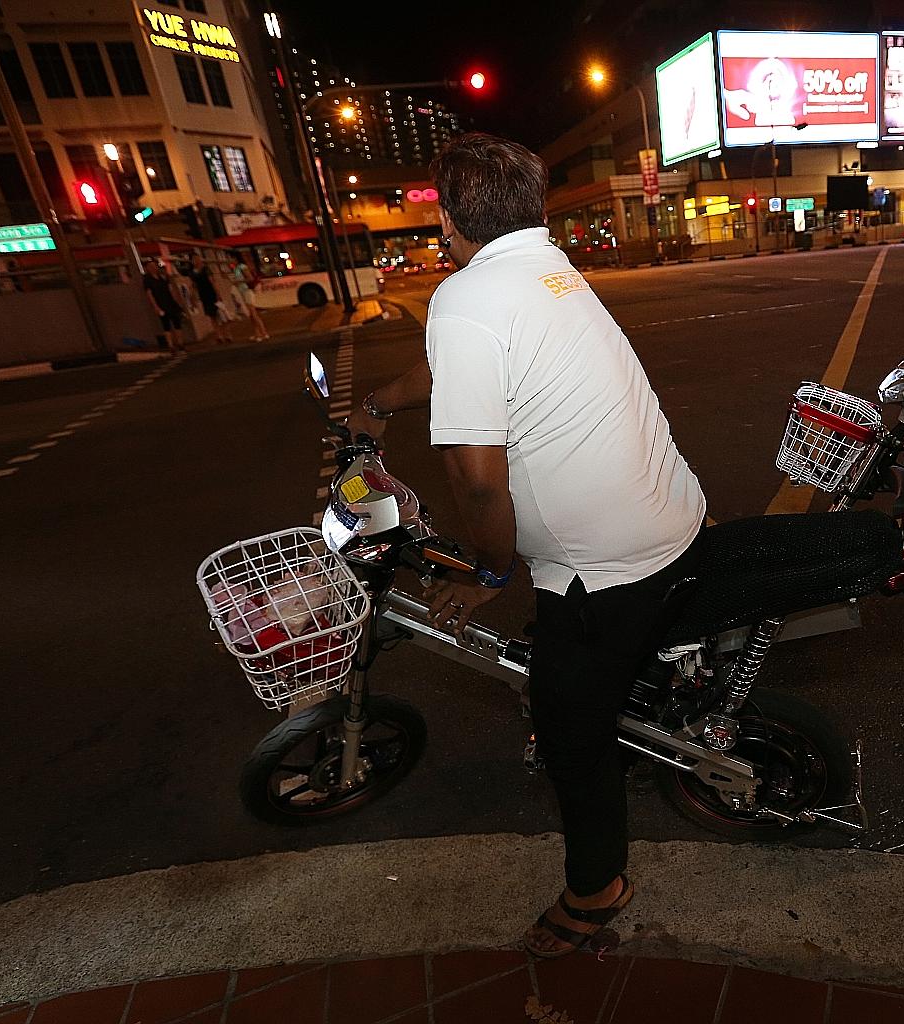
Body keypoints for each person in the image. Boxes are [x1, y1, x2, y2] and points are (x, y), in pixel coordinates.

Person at [345, 133, 706, 958]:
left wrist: (492, 571)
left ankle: (597, 887)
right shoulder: (544, 269)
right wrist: (380, 403)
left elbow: (476, 482)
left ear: (446, 216)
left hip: (607, 567)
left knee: (571, 732)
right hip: (668, 517)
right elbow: (452, 369)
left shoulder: (469, 297)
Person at [185, 253, 231, 344]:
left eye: (197, 259)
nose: (196, 261)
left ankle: (227, 335)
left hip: (212, 294)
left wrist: (217, 293)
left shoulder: (206, 269)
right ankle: (219, 336)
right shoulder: (192, 273)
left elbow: (212, 281)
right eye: (194, 259)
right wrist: (193, 297)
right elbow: (193, 286)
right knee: (212, 316)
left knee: (221, 315)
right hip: (204, 295)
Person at [142, 260, 185, 352]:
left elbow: (171, 289)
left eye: (154, 266)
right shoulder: (147, 280)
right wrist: (156, 307)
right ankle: (171, 345)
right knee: (166, 325)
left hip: (170, 302)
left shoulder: (163, 277)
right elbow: (149, 294)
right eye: (150, 266)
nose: (153, 268)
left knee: (176, 322)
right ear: (147, 268)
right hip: (160, 304)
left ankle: (180, 343)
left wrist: (177, 301)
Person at [228, 258, 270, 340]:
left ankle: (264, 333)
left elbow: (250, 278)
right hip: (243, 292)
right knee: (251, 315)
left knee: (253, 313)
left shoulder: (242, 267)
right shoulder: (236, 268)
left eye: (231, 258)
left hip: (247, 291)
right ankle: (257, 333)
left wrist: (238, 281)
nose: (230, 261)